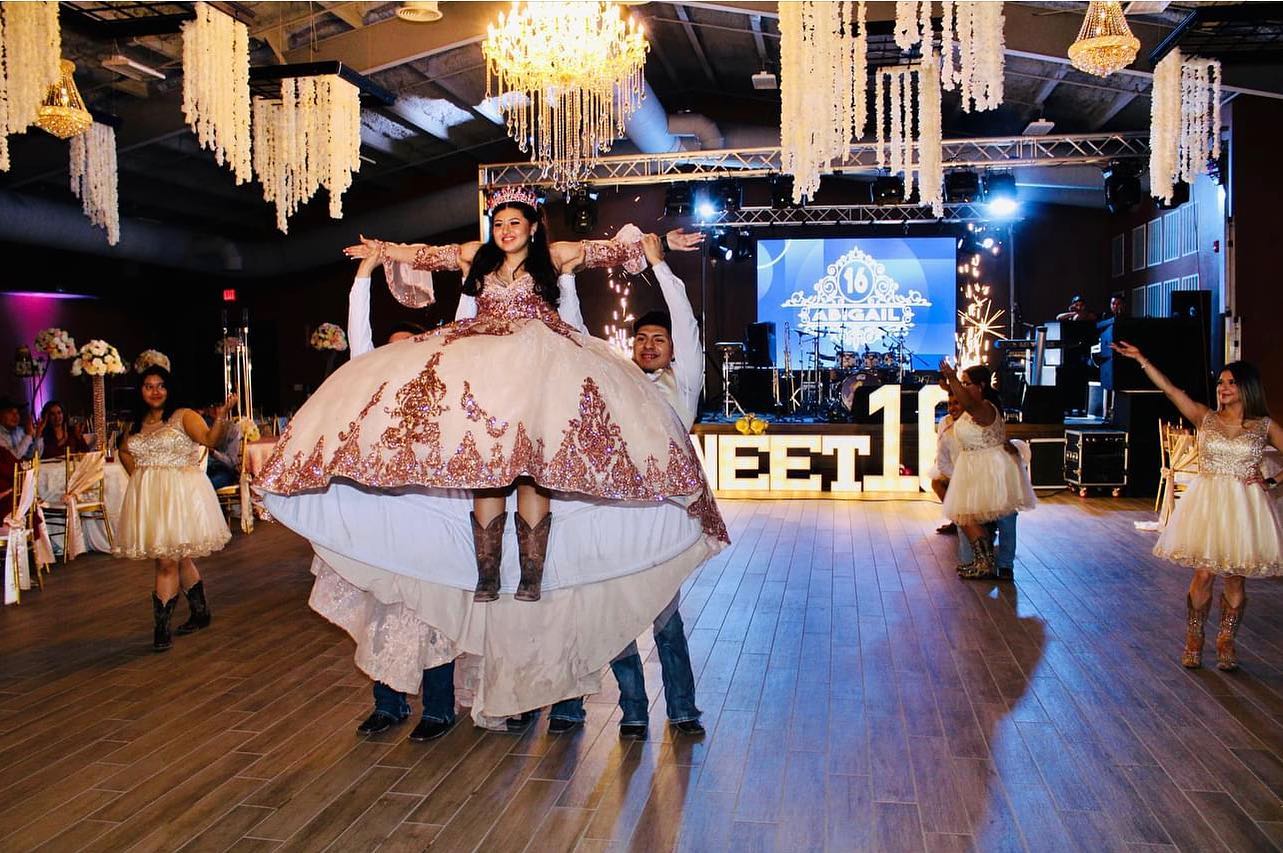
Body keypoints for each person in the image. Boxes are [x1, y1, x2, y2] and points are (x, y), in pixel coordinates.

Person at [258, 189, 727, 729]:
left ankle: (531, 573)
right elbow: (423, 254)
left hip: (541, 368)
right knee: (485, 467)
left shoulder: (556, 256)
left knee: (535, 470)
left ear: (532, 226)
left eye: (514, 222)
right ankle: (487, 573)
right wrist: (383, 251)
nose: (505, 230)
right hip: (486, 369)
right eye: (499, 222)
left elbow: (611, 252)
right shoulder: (473, 256)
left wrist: (660, 243)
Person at [546, 233, 706, 739]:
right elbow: (575, 342)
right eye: (641, 339)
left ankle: (682, 709)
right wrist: (567, 281)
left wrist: (659, 266)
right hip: (615, 519)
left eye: (658, 340)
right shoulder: (615, 381)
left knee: (667, 623)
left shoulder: (684, 384)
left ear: (673, 350)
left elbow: (686, 323)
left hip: (663, 521)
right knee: (614, 621)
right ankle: (634, 710)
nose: (649, 346)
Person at [1111, 343, 1283, 670]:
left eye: (1231, 383)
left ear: (1247, 388)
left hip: (1245, 508)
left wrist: (1272, 482)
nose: (1223, 388)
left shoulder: (1263, 426)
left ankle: (1226, 640)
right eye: (1220, 382)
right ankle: (1194, 636)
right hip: (1209, 504)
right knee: (1204, 573)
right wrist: (1142, 359)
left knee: (1235, 575)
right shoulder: (1205, 417)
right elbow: (1171, 390)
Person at [115, 366, 235, 651]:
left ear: (169, 388)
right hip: (153, 500)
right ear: (140, 390)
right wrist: (141, 480)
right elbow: (124, 450)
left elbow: (210, 440)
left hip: (179, 498)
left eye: (160, 385)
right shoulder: (136, 423)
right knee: (178, 557)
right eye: (148, 386)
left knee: (166, 560)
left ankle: (162, 629)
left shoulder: (183, 416)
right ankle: (200, 612)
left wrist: (221, 417)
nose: (155, 391)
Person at [939, 363, 1037, 578]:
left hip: (993, 468)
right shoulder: (970, 407)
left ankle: (1004, 565)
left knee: (1005, 516)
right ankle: (976, 560)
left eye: (967, 383)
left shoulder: (983, 407)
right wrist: (949, 386)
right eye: (962, 383)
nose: (963, 387)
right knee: (965, 514)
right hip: (972, 466)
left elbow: (969, 405)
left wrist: (953, 379)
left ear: (981, 386)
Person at [0, 397, 40, 462]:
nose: (15, 416)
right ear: (1, 415)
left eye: (17, 412)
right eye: (10, 412)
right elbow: (13, 457)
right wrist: (28, 435)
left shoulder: (20, 431)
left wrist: (38, 435)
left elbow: (31, 456)